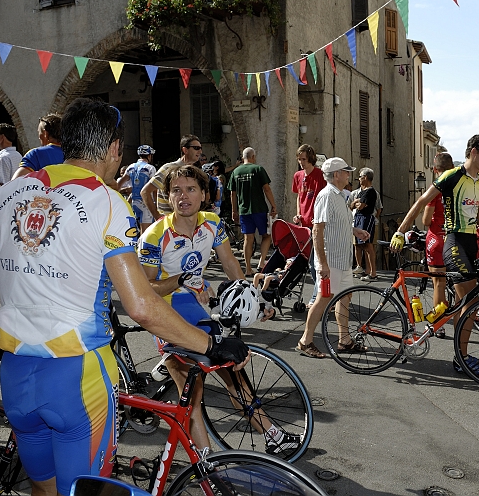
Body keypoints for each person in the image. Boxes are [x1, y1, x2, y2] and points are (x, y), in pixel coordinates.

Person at [0, 98, 250, 496]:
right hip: (78, 377)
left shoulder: (7, 194)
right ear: (115, 148)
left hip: (16, 373)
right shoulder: (107, 201)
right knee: (85, 491)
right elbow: (141, 306)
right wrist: (211, 345)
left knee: (42, 488)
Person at [139, 164, 291, 455]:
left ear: (204, 195)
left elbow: (230, 263)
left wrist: (254, 299)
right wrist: (180, 280)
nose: (183, 196)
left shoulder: (212, 223)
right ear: (168, 197)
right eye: (176, 190)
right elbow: (146, 290)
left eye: (191, 189)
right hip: (167, 312)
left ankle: (273, 435)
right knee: (192, 394)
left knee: (233, 371)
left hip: (198, 308)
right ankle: (206, 466)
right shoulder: (155, 235)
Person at [390, 134, 479, 374]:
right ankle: (462, 359)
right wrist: (400, 231)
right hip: (454, 242)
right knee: (471, 301)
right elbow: (422, 201)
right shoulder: (452, 175)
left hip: (471, 243)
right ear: (473, 152)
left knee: (465, 303)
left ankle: (462, 355)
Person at [297, 157, 370, 359]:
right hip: (331, 260)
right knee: (324, 298)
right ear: (336, 174)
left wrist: (355, 231)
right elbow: (317, 230)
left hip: (342, 260)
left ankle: (344, 340)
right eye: (346, 172)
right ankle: (305, 341)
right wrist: (322, 264)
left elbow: (336, 224)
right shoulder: (327, 195)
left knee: (345, 296)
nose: (349, 175)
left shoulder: (339, 195)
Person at [228, 147, 277, 276]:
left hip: (244, 210)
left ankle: (248, 268)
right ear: (253, 157)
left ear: (243, 157)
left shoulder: (236, 172)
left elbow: (233, 193)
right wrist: (273, 205)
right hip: (259, 209)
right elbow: (266, 189)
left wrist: (234, 210)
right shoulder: (258, 169)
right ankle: (261, 262)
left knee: (248, 239)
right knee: (266, 235)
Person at [422, 152, 454, 339]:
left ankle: (438, 325)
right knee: (460, 282)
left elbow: (426, 220)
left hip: (437, 238)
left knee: (438, 284)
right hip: (456, 239)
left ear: (435, 170)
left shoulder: (435, 188)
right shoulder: (458, 186)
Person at [292, 144, 326, 308]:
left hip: (316, 224)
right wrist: (298, 214)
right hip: (303, 225)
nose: (301, 162)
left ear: (311, 158)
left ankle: (317, 296)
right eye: (299, 159)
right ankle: (321, 293)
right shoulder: (297, 175)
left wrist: (319, 217)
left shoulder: (320, 175)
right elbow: (299, 197)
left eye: (304, 159)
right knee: (307, 262)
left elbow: (324, 197)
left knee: (315, 262)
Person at [141, 135, 204, 220]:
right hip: (169, 222)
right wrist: (157, 216)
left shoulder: (195, 171)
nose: (200, 151)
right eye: (196, 148)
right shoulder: (169, 168)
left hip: (188, 222)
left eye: (200, 148)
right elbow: (145, 192)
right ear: (185, 150)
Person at [11, 114, 63, 180]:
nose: (39, 138)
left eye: (39, 133)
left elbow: (16, 181)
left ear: (45, 134)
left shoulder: (36, 154)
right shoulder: (74, 154)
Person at [117, 145, 157, 230]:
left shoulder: (131, 167)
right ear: (149, 156)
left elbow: (119, 185)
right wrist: (156, 204)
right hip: (146, 203)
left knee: (137, 230)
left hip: (134, 202)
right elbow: (154, 188)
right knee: (145, 232)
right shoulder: (150, 168)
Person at [351, 168, 379, 281]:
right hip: (359, 218)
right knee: (361, 245)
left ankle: (373, 273)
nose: (359, 179)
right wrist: (356, 202)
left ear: (365, 177)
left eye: (360, 176)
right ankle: (367, 271)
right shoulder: (362, 192)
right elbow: (353, 206)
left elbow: (360, 206)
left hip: (366, 218)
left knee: (368, 245)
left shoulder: (370, 191)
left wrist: (356, 202)